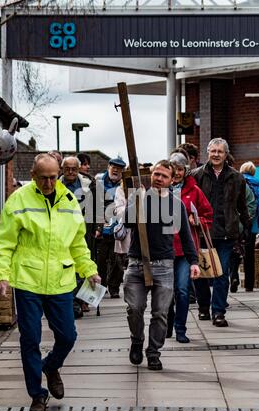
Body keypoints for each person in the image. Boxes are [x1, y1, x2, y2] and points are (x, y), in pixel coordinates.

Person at [0, 153, 100, 411]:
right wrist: (1, 275)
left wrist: (89, 270)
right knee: (30, 340)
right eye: (44, 178)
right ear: (33, 176)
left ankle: (51, 366)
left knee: (68, 336)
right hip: (28, 280)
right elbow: (4, 243)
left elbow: (77, 243)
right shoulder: (18, 200)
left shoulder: (70, 200)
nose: (50, 183)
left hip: (61, 281)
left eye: (53, 177)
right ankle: (37, 395)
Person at [124, 160, 200, 371]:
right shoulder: (141, 197)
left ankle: (154, 353)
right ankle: (137, 340)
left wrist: (193, 262)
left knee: (160, 313)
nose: (158, 178)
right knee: (134, 308)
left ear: (171, 180)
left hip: (164, 265)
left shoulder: (176, 205)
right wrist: (135, 201)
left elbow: (186, 236)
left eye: (163, 176)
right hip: (137, 263)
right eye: (156, 174)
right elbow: (128, 222)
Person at [192, 138, 250, 327]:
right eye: (213, 151)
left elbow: (242, 205)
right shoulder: (196, 175)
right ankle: (203, 306)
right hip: (202, 232)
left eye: (220, 151)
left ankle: (218, 312)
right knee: (201, 273)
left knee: (222, 273)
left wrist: (246, 226)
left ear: (226, 154)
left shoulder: (237, 177)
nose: (216, 154)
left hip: (226, 232)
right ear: (207, 152)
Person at [167, 153, 213, 343]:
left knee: (182, 290)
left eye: (180, 169)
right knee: (166, 292)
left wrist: (197, 220)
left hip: (186, 250)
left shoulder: (194, 190)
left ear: (186, 171)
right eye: (173, 168)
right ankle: (167, 325)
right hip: (165, 249)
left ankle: (180, 329)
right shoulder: (160, 190)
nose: (177, 173)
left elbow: (208, 215)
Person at [61, 156, 98, 315]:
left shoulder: (89, 185)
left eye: (73, 169)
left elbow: (98, 208)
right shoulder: (55, 184)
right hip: (62, 231)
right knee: (68, 266)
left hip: (85, 230)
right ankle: (73, 304)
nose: (70, 172)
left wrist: (98, 227)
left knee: (84, 264)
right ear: (62, 169)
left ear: (78, 169)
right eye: (67, 168)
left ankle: (82, 300)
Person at [95, 157, 126, 298]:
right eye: (113, 167)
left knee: (117, 261)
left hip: (118, 229)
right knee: (100, 260)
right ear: (108, 167)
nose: (115, 170)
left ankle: (114, 288)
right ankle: (101, 287)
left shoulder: (124, 184)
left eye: (119, 169)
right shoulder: (98, 184)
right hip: (102, 228)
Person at [239, 161, 259, 291]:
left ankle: (233, 277)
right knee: (249, 255)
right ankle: (249, 285)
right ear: (253, 172)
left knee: (234, 252)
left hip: (236, 224)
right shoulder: (257, 187)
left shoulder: (237, 183)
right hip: (252, 226)